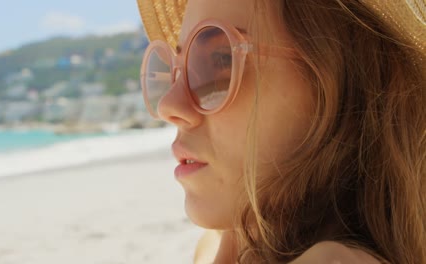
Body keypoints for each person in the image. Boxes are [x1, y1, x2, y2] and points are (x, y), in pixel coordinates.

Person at [137, 0, 425, 263]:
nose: (168, 105)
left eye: (219, 62)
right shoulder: (214, 248)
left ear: (337, 83)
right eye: (176, 70)